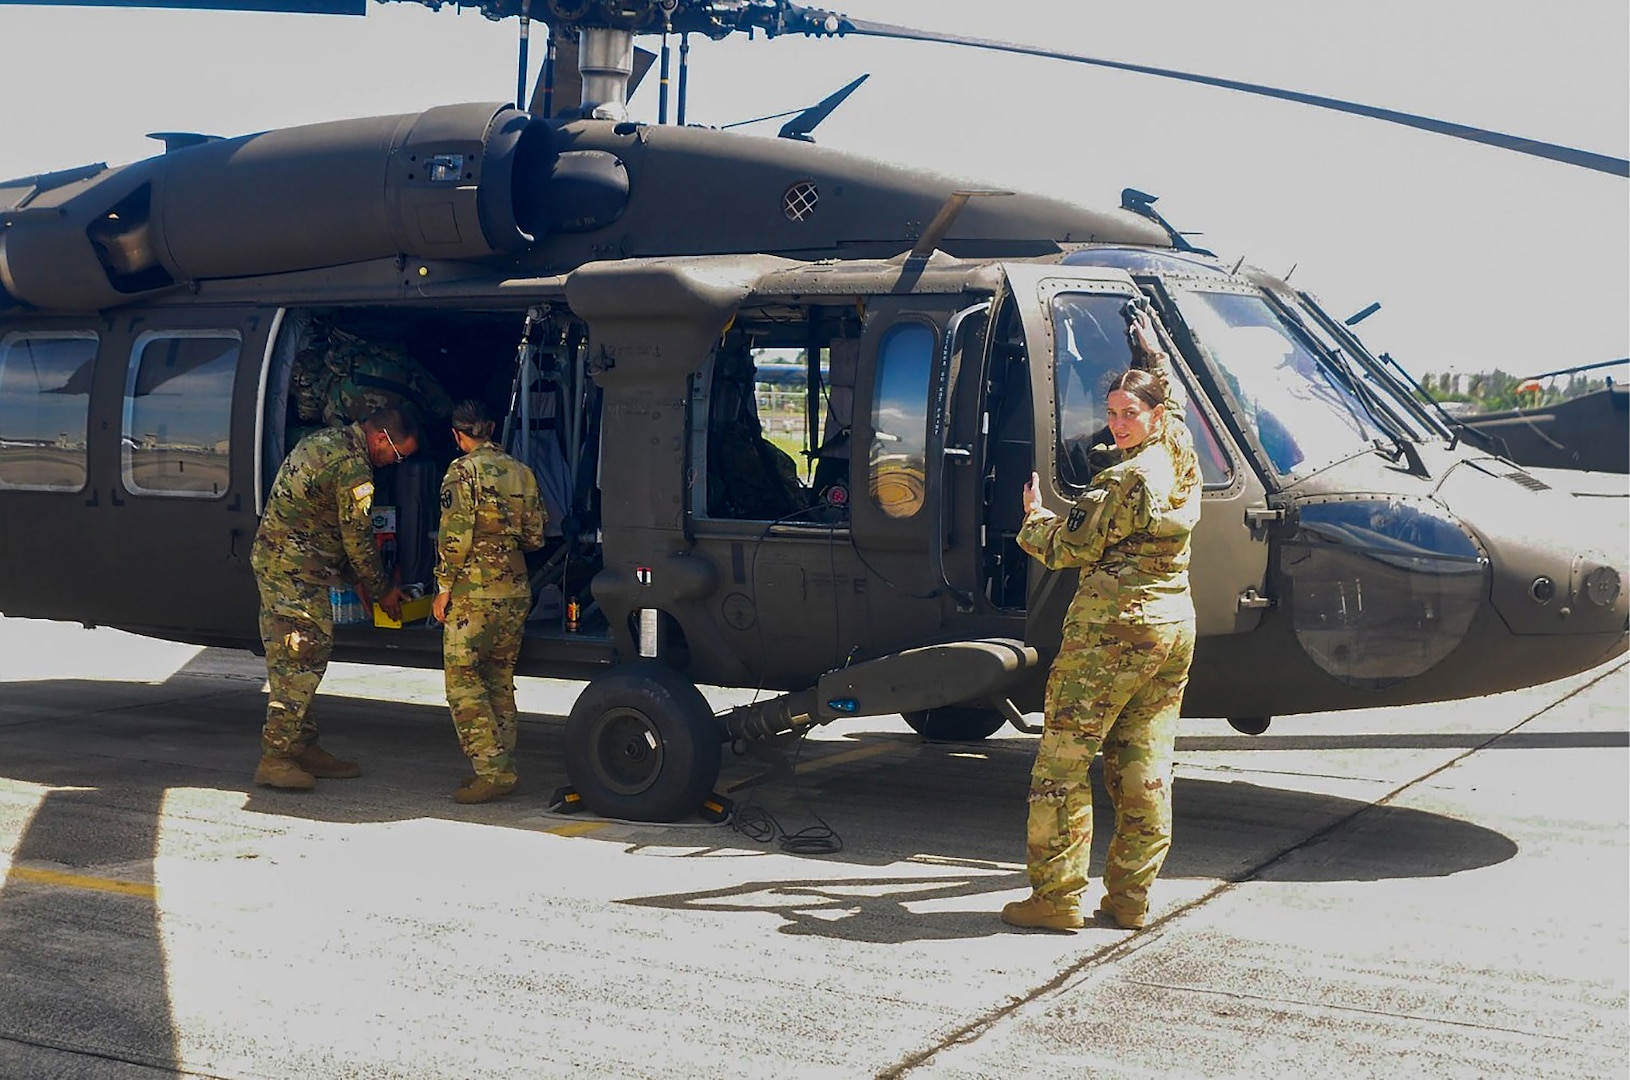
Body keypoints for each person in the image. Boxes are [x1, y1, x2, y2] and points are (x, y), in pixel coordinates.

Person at [1001, 308, 1202, 933]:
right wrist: (1153, 361)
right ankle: (1130, 900)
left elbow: (1067, 548)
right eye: (1112, 412)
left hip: (1112, 633)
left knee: (1062, 763)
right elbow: (1176, 412)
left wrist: (1033, 516)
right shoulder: (1178, 455)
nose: (1116, 424)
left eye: (1128, 414)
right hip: (1172, 625)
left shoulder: (1121, 482)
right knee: (1145, 763)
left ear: (1152, 418)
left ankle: (1057, 898)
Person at [251, 407, 420, 790]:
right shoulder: (354, 465)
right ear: (381, 438)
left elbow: (320, 519)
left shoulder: (326, 441)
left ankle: (303, 747)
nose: (396, 462)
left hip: (288, 563)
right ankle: (275, 758)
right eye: (397, 454)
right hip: (295, 570)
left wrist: (351, 577)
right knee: (301, 656)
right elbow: (358, 538)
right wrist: (383, 590)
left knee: (296, 655)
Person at [431, 400, 547, 805]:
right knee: (498, 677)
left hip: (473, 592)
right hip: (514, 589)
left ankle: (492, 771)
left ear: (457, 435)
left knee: (464, 682)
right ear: (492, 427)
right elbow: (535, 537)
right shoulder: (522, 471)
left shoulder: (461, 472)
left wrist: (443, 586)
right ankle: (501, 766)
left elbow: (454, 535)